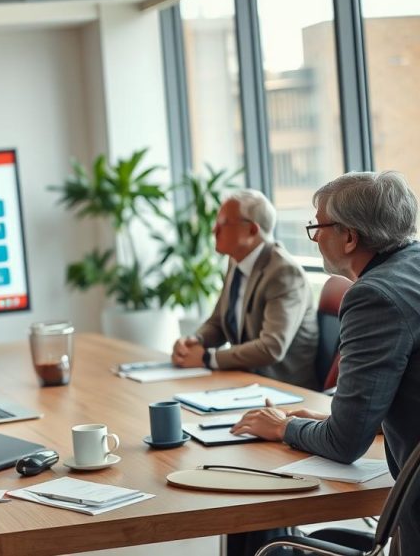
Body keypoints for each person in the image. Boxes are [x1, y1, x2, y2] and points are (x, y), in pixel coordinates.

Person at [232, 171, 420, 555]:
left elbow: (344, 443)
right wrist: (329, 419)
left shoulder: (373, 296)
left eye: (317, 225)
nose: (314, 236)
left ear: (350, 237)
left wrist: (286, 428)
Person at [172, 189, 319, 390]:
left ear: (251, 230)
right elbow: (218, 323)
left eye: (223, 223)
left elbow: (271, 347)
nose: (214, 230)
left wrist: (207, 358)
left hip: (282, 390)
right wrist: (194, 341)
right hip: (243, 382)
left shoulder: (283, 272)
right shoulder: (236, 262)